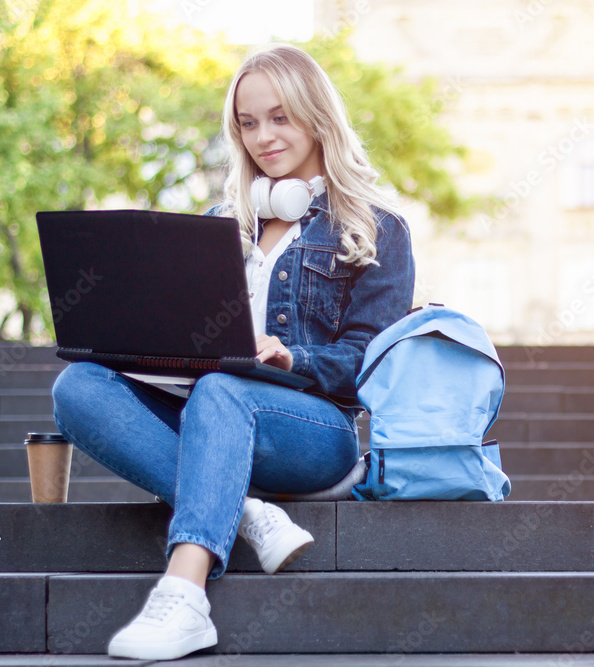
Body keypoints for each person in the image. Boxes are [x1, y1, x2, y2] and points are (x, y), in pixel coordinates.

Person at [51, 43, 415, 660]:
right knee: (77, 387)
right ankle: (245, 511)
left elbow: (369, 366)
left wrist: (290, 357)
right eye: (248, 123)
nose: (263, 137)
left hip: (314, 430)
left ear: (317, 115)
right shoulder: (219, 223)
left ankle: (185, 595)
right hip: (204, 413)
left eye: (280, 117)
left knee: (224, 389)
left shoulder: (376, 227)